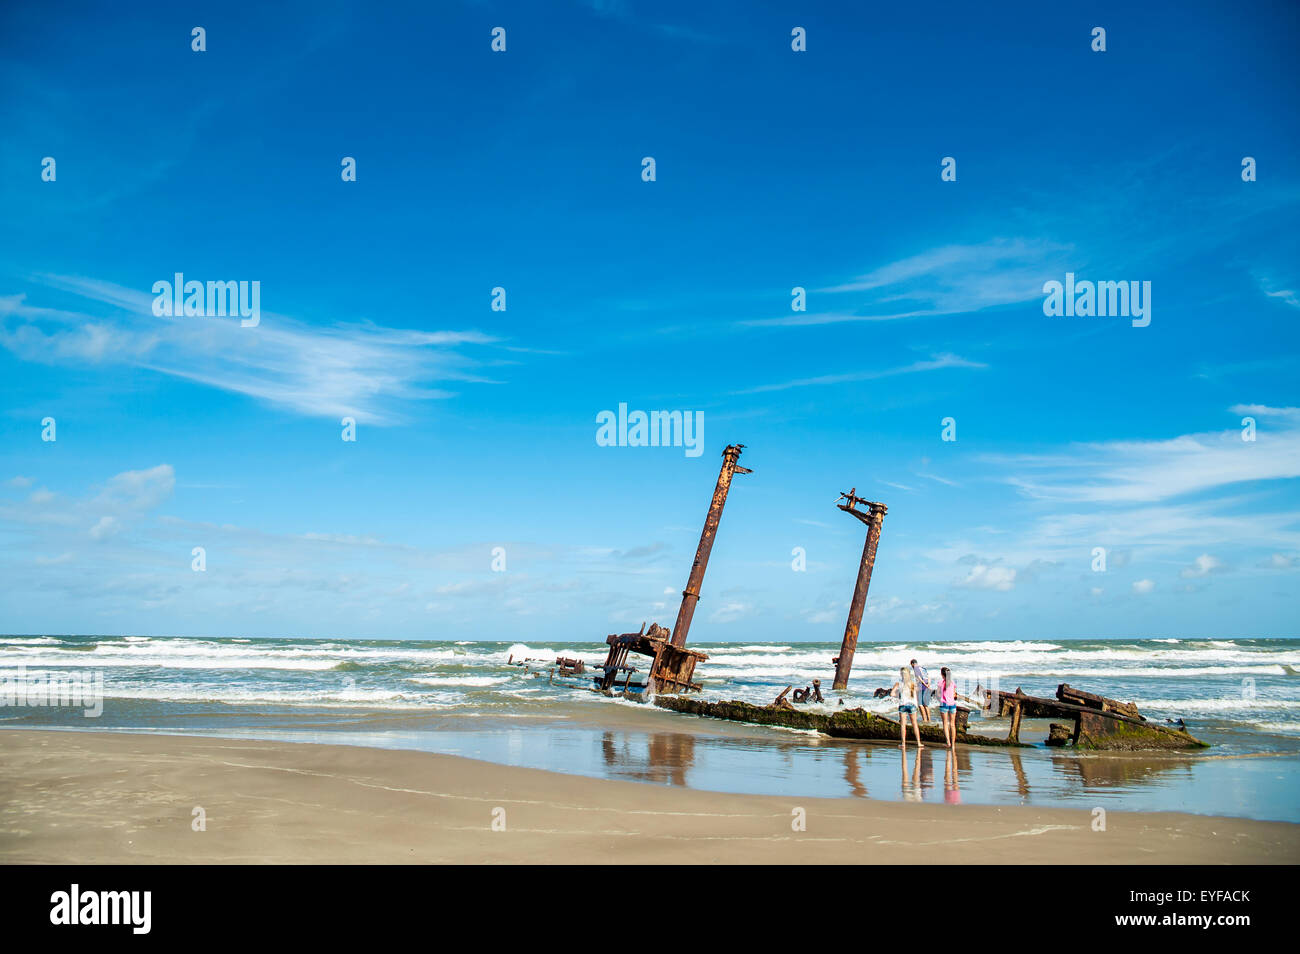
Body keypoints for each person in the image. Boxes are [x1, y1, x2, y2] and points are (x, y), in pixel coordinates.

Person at [890, 665, 924, 749]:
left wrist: (899, 695)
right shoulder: (913, 684)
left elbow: (892, 694)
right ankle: (919, 743)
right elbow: (918, 690)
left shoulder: (898, 684)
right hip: (912, 704)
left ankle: (903, 744)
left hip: (903, 705)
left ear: (901, 675)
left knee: (903, 725)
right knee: (915, 724)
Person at [937, 666, 958, 748]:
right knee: (952, 725)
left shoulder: (940, 683)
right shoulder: (952, 683)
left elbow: (938, 694)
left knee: (945, 724)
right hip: (952, 704)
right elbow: (954, 694)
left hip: (944, 704)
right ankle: (953, 745)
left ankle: (948, 743)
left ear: (942, 675)